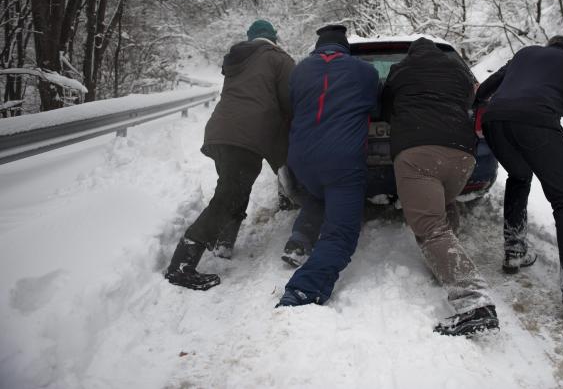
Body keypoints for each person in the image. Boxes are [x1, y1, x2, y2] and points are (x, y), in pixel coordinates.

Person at [164, 19, 294, 290]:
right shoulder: (278, 59)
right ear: (273, 37)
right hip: (246, 136)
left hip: (220, 132)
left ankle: (224, 242)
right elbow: (290, 102)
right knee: (227, 197)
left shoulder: (238, 59)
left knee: (235, 189)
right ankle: (181, 265)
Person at [381, 37, 498, 336]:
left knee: (430, 227)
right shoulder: (458, 71)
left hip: (418, 153)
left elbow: (384, 107)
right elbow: (474, 102)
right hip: (463, 155)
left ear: (411, 56)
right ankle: (445, 264)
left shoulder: (400, 71)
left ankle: (474, 302)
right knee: (443, 205)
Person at [474, 35, 563, 305]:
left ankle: (514, 249)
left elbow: (487, 87)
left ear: (549, 47)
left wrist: (478, 104)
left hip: (495, 122)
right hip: (537, 122)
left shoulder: (526, 54)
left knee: (519, 176)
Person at [276, 24, 379, 307]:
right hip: (342, 159)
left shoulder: (299, 70)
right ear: (345, 47)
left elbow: (293, 106)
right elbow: (376, 107)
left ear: (318, 46)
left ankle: (300, 238)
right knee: (341, 232)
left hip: (302, 158)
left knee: (320, 192)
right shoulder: (364, 71)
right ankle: (304, 290)